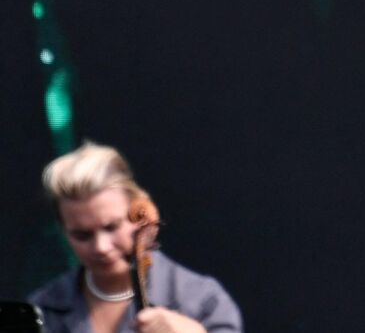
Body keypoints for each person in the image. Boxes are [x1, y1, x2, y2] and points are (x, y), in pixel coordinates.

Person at [27, 142, 242, 333]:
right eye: (82, 235)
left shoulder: (202, 301)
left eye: (112, 227)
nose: (101, 247)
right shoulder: (42, 311)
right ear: (64, 231)